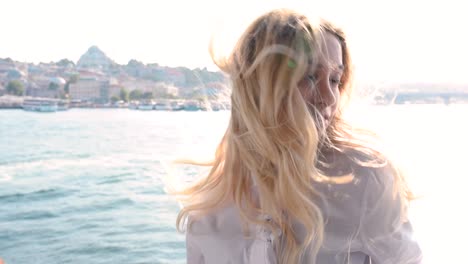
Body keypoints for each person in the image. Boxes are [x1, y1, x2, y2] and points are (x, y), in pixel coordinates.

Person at [175, 8, 423, 264]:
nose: (329, 97)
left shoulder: (363, 179)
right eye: (310, 76)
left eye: (335, 79)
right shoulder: (207, 207)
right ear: (260, 86)